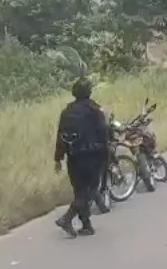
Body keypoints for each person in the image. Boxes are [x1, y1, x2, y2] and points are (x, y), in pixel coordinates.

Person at [53, 78, 110, 237]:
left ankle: (86, 225)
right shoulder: (94, 110)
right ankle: (67, 218)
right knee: (90, 190)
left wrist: (58, 158)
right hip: (92, 156)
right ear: (89, 92)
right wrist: (107, 153)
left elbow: (61, 136)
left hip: (74, 156)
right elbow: (103, 132)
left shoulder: (67, 112)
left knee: (79, 191)